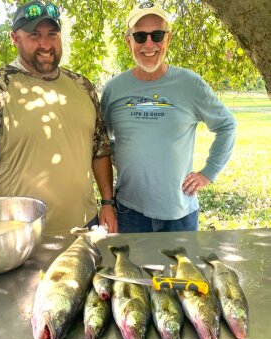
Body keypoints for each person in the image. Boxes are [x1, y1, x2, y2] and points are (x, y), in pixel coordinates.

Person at [0, 0, 117, 236]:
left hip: (87, 225)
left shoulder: (81, 85)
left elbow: (100, 150)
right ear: (15, 38)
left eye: (52, 34)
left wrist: (107, 202)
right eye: (35, 35)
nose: (45, 44)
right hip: (24, 232)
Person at [100, 1, 236, 233]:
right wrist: (120, 151)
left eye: (157, 35)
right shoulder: (114, 89)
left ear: (168, 39)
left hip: (180, 213)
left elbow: (226, 125)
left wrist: (209, 172)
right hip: (129, 211)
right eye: (140, 36)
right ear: (129, 41)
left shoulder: (190, 84)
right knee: (130, 270)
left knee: (180, 271)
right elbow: (101, 140)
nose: (149, 44)